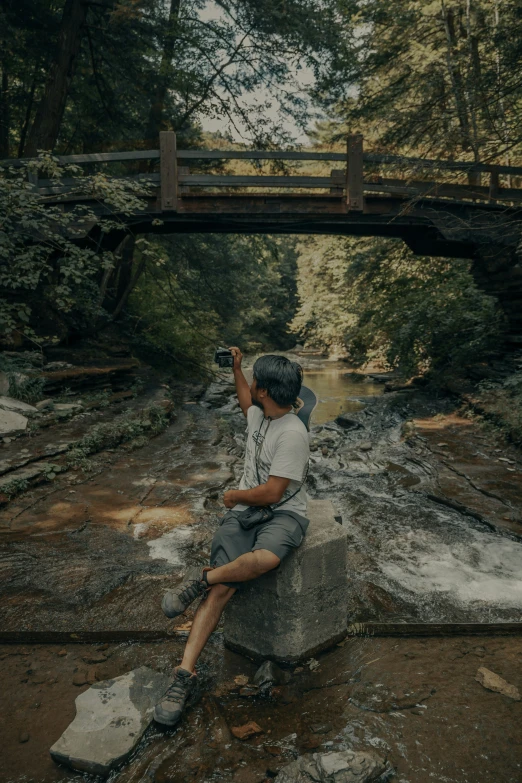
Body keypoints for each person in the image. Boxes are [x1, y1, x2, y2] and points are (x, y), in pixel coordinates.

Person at [154, 348, 310, 726]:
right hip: (246, 515)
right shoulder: (259, 413)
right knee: (221, 591)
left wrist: (234, 496)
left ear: (267, 392)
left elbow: (273, 493)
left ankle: (201, 578)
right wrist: (238, 369)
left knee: (264, 560)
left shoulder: (293, 433)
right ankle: (183, 676)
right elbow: (245, 399)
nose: (251, 387)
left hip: (283, 512)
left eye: (255, 381)